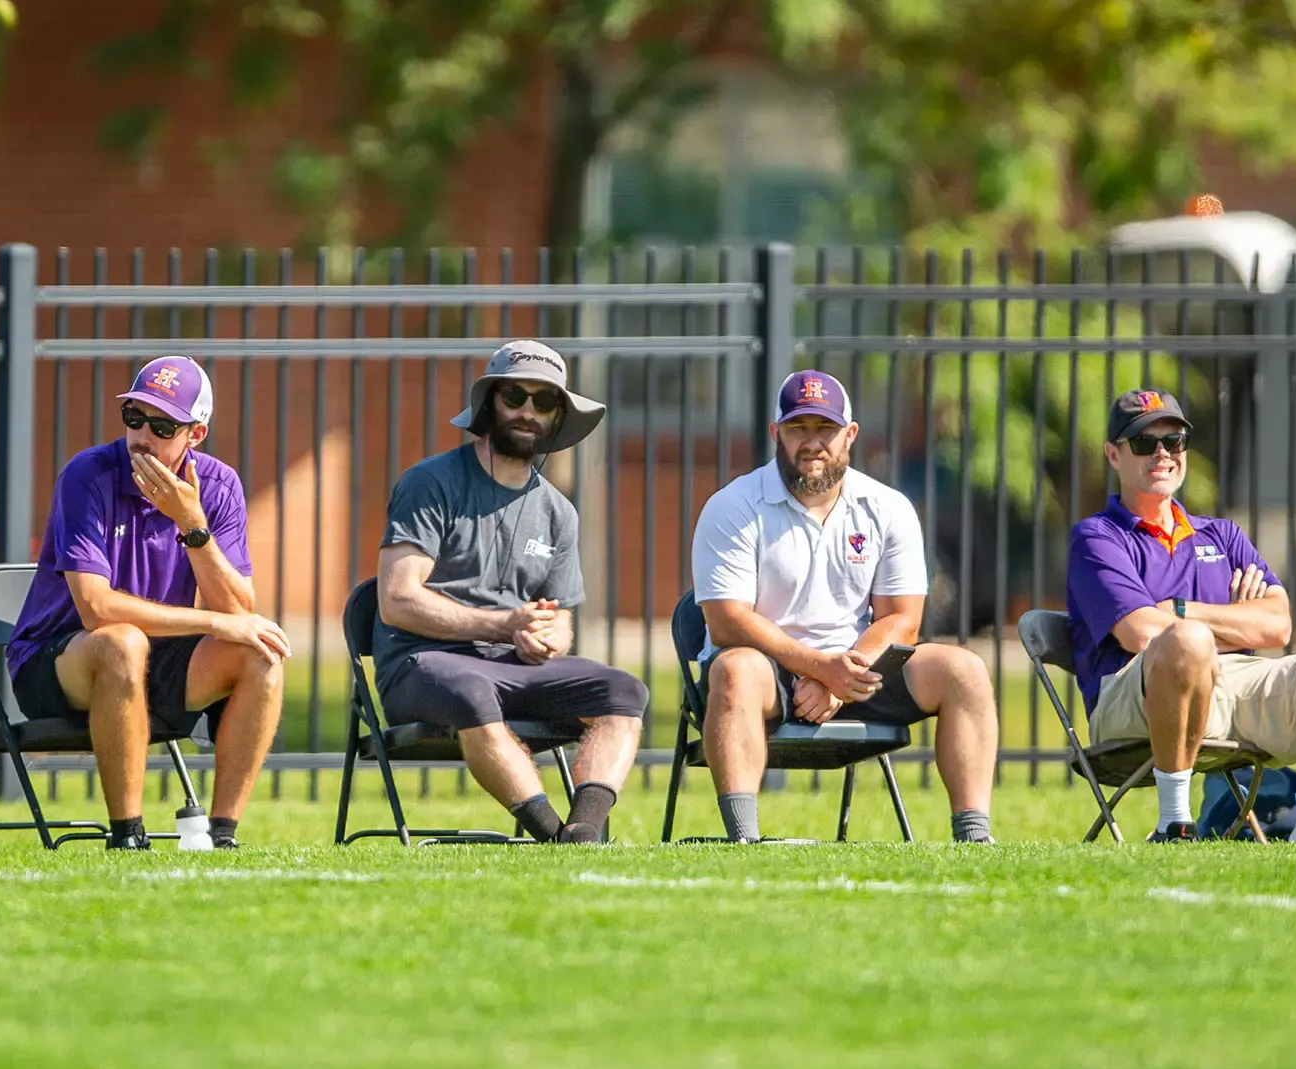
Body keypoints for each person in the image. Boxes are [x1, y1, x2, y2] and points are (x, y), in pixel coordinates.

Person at [1066, 389, 1296, 842]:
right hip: (1130, 696)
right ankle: (1173, 825)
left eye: (1174, 440)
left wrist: (1181, 610)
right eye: (1144, 442)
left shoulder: (1222, 535)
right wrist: (1233, 621)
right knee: (1188, 643)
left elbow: (1278, 624)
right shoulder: (1098, 537)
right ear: (1113, 455)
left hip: (1234, 681)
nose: (1162, 453)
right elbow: (1140, 633)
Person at [691, 370, 1001, 843]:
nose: (812, 442)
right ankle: (743, 840)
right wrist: (821, 668)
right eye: (798, 428)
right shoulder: (732, 506)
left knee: (965, 669)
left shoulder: (887, 507)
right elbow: (727, 621)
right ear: (776, 433)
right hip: (767, 673)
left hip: (858, 667)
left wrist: (844, 677)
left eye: (826, 428)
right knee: (734, 670)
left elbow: (903, 618)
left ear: (850, 434)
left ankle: (975, 836)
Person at [6, 356, 290, 850]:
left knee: (260, 653)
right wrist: (213, 623)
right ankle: (128, 836)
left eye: (162, 426)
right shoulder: (87, 475)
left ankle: (222, 836)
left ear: (195, 434)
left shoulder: (219, 486)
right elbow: (95, 609)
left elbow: (239, 611)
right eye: (134, 417)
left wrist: (192, 524)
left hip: (152, 660)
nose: (142, 435)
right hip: (57, 662)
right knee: (123, 642)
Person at [374, 340, 646, 843]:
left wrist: (548, 638)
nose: (527, 412)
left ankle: (582, 834)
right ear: (489, 404)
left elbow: (561, 618)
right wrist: (502, 625)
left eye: (543, 402)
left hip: (515, 665)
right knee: (473, 690)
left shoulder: (558, 511)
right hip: (421, 663)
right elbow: (397, 600)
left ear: (557, 415)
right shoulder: (430, 482)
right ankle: (549, 833)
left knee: (624, 692)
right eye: (515, 396)